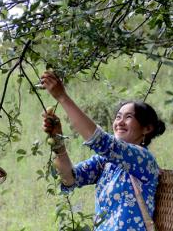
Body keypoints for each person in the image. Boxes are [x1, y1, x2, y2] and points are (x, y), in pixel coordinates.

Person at [40, 71, 165, 230]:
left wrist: (62, 97)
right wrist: (57, 140)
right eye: (118, 117)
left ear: (147, 129)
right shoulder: (105, 162)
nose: (120, 122)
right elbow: (69, 179)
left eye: (128, 117)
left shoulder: (144, 159)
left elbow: (101, 141)